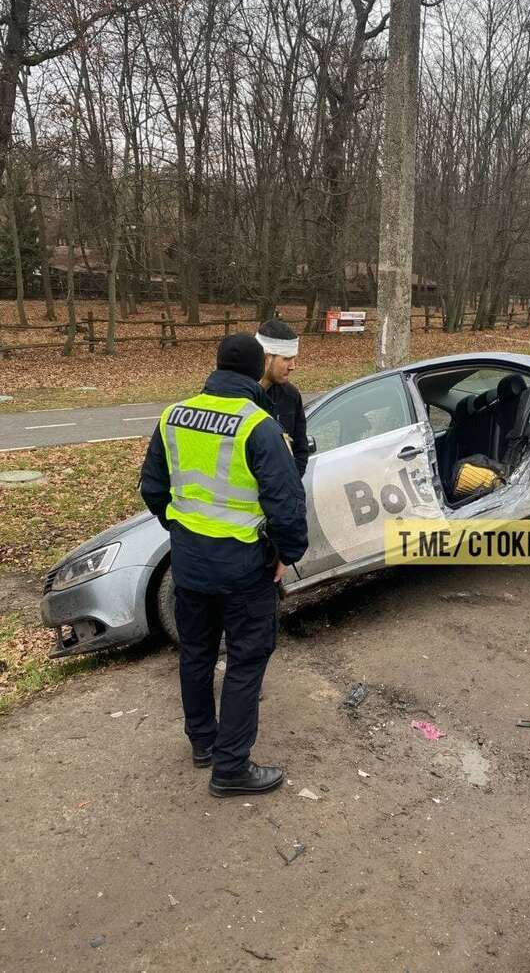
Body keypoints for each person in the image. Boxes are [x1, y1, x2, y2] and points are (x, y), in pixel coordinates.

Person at [139, 334, 308, 798]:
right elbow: (287, 503)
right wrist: (288, 554)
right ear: (257, 370)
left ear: (216, 367)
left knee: (195, 653)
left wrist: (181, 529)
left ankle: (203, 744)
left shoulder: (173, 416)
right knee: (245, 661)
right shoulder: (258, 425)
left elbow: (152, 487)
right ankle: (231, 767)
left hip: (189, 563)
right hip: (244, 569)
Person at [254, 318, 310, 478]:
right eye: (286, 359)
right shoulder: (240, 396)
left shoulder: (291, 395)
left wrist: (291, 482)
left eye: (294, 358)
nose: (293, 366)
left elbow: (300, 448)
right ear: (266, 358)